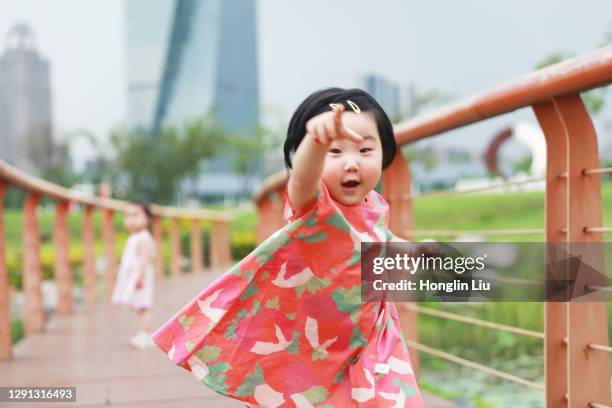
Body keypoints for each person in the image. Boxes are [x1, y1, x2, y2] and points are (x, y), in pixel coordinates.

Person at [152, 88, 430, 406]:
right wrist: (316, 140)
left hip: (372, 338)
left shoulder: (375, 204)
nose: (351, 164)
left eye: (365, 150)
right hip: (318, 345)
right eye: (334, 152)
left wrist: (411, 251)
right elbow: (302, 180)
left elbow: (376, 243)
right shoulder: (313, 206)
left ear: (385, 154)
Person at [111, 202, 157, 350]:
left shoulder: (143, 237)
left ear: (147, 218)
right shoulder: (134, 237)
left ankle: (146, 334)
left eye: (136, 215)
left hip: (139, 277)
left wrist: (140, 277)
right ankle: (145, 333)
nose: (131, 220)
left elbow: (145, 258)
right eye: (128, 216)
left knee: (143, 305)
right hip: (133, 276)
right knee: (138, 305)